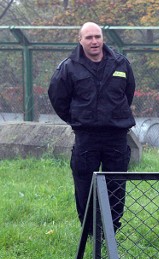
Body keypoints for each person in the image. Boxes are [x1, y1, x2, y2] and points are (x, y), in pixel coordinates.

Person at [48, 22, 136, 234]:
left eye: (97, 36)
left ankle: (110, 231)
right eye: (89, 38)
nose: (94, 41)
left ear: (103, 38)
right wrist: (78, 119)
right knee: (85, 186)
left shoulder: (120, 64)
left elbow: (128, 92)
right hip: (86, 137)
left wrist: (113, 115)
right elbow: (58, 98)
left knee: (116, 185)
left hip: (116, 136)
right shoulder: (68, 67)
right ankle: (90, 232)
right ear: (80, 40)